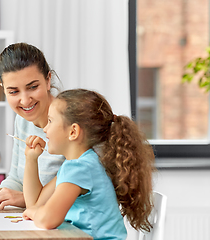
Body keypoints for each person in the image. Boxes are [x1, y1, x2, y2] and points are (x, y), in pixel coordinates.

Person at [22, 89, 156, 240]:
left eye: (51, 121)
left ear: (73, 132)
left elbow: (47, 219)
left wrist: (33, 213)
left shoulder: (80, 168)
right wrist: (31, 159)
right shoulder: (81, 163)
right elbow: (35, 203)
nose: (45, 128)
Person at [0, 43, 65, 210]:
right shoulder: (22, 120)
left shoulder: (72, 122)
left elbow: (79, 187)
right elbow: (17, 179)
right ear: (3, 89)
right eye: (13, 92)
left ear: (48, 80)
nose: (25, 101)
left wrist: (25, 199)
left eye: (33, 87)